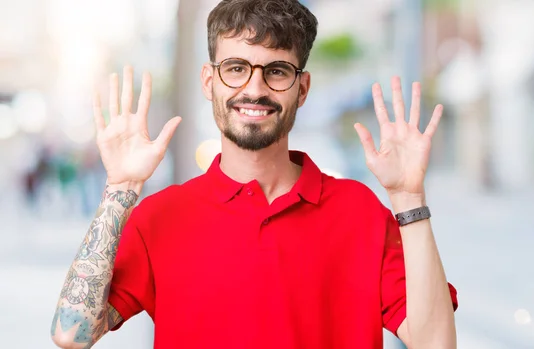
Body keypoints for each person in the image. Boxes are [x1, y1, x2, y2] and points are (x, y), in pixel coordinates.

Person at [50, 0, 458, 348]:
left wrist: (408, 197)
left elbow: (435, 343)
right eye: (236, 68)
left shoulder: (360, 212)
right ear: (210, 81)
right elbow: (72, 333)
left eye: (277, 70)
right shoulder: (160, 216)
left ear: (302, 88)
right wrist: (121, 188)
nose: (255, 88)